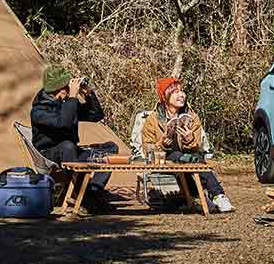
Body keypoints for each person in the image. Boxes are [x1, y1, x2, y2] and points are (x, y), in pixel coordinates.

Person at [30, 65, 118, 211]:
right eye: (67, 85)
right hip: (49, 153)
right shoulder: (39, 110)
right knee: (67, 146)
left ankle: (93, 192)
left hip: (72, 152)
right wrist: (72, 98)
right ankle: (88, 198)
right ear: (60, 88)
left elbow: (96, 115)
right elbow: (63, 124)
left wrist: (89, 94)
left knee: (110, 149)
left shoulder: (66, 103)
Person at [139, 77, 234, 213]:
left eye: (182, 91)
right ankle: (204, 197)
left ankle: (218, 196)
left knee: (195, 159)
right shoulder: (153, 119)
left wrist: (189, 139)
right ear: (165, 96)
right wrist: (163, 144)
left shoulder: (192, 116)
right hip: (165, 160)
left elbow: (197, 146)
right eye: (175, 92)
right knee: (180, 156)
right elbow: (147, 149)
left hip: (189, 159)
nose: (181, 94)